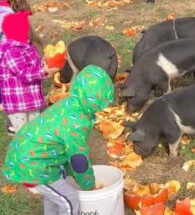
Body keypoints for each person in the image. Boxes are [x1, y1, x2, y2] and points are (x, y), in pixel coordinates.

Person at [2, 65, 115, 214]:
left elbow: (65, 149)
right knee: (70, 199)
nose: (101, 109)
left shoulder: (70, 105)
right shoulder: (76, 124)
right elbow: (78, 159)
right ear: (94, 102)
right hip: (32, 164)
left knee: (56, 194)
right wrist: (89, 185)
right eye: (101, 104)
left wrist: (72, 173)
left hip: (27, 155)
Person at [0, 12, 55, 132]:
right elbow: (24, 74)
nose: (28, 31)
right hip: (17, 103)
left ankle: (36, 150)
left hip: (30, 99)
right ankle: (21, 150)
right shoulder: (12, 52)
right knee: (23, 134)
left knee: (35, 131)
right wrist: (42, 71)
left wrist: (45, 62)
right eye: (25, 28)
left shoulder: (26, 48)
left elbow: (33, 66)